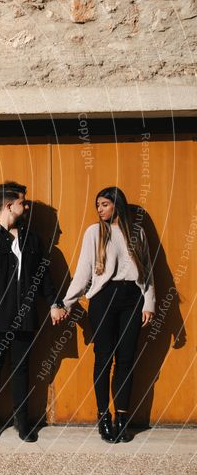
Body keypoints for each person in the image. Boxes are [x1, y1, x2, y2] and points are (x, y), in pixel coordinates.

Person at [0, 181, 66, 442]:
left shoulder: (33, 239)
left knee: (22, 369)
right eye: (23, 201)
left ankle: (23, 422)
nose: (27, 205)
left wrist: (55, 303)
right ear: (9, 205)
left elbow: (44, 277)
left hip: (25, 317)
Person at [62, 187, 155, 443]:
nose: (100, 209)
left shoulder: (137, 233)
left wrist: (149, 303)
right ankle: (103, 417)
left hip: (132, 299)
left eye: (104, 204)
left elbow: (147, 271)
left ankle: (122, 418)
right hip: (104, 298)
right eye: (98, 206)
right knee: (104, 358)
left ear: (117, 204)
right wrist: (66, 303)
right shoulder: (94, 232)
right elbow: (83, 272)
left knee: (126, 359)